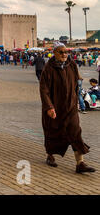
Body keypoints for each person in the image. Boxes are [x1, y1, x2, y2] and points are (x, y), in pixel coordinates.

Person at [39, 42, 95, 173]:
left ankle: (80, 163)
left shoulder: (72, 65)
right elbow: (43, 90)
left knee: (76, 132)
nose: (64, 54)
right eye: (61, 52)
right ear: (55, 53)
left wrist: (76, 98)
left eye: (66, 52)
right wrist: (49, 107)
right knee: (52, 133)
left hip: (70, 107)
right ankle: (50, 155)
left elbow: (77, 82)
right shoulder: (49, 68)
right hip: (55, 108)